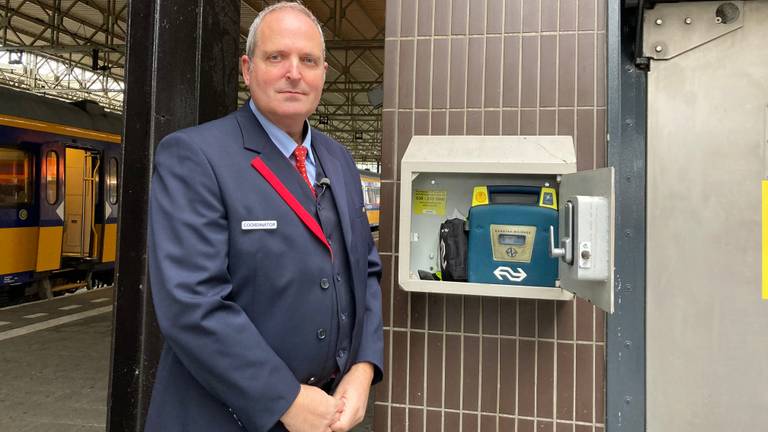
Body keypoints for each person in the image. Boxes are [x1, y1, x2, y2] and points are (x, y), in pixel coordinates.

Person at [144, 2, 384, 431]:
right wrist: (285, 399)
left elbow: (365, 270)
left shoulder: (339, 161)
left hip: (325, 416)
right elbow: (192, 305)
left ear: (324, 73)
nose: (294, 72)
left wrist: (363, 368)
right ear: (247, 68)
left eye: (308, 60)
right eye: (277, 57)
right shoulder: (196, 157)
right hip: (220, 417)